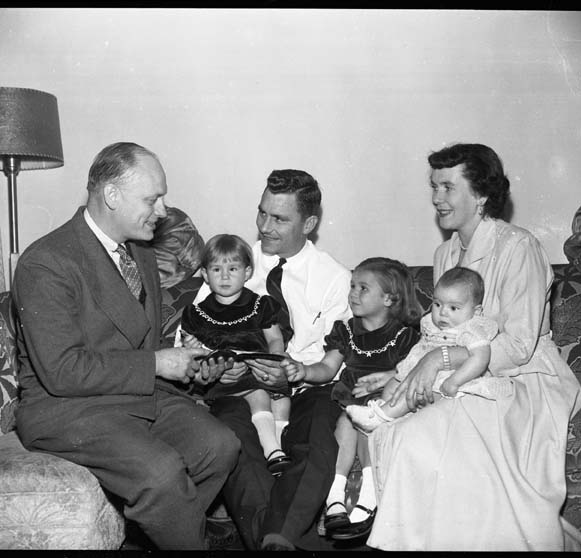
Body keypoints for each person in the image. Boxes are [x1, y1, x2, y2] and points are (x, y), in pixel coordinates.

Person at [12, 142, 241, 550]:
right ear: (112, 195)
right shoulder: (46, 262)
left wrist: (190, 367)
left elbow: (144, 340)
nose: (163, 211)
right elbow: (62, 371)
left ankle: (163, 535)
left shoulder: (140, 251)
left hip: (133, 394)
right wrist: (157, 364)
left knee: (221, 446)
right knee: (161, 474)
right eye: (152, 199)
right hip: (68, 408)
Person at [362, 143, 581, 551]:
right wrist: (402, 372)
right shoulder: (445, 253)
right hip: (459, 375)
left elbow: (518, 345)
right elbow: (440, 333)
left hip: (521, 377)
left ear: (481, 195)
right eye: (434, 186)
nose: (437, 197)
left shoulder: (519, 247)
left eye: (448, 187)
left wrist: (439, 360)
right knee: (391, 431)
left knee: (419, 439)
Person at [192, 169, 352, 550]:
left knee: (317, 436)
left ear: (309, 224)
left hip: (308, 385)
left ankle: (274, 538)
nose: (264, 226)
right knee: (232, 438)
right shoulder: (234, 264)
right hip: (242, 385)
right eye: (262, 213)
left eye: (279, 218)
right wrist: (214, 369)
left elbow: (337, 356)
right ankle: (278, 540)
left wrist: (294, 376)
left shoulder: (333, 278)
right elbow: (196, 334)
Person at [281, 257, 420, 542]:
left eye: (363, 288)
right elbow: (327, 368)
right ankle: (335, 497)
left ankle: (369, 494)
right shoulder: (345, 330)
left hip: (385, 402)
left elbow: (409, 372)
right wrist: (304, 371)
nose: (353, 293)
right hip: (351, 398)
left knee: (365, 422)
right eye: (352, 286)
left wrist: (390, 378)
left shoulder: (405, 336)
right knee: (346, 421)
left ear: (389, 299)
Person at [178, 233, 293, 475]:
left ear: (247, 272)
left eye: (233, 269)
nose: (225, 276)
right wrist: (194, 347)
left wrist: (274, 360)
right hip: (221, 377)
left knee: (281, 398)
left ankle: (278, 444)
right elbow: (192, 354)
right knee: (259, 394)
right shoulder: (196, 313)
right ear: (205, 274)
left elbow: (275, 339)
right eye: (216, 269)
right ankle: (272, 449)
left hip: (258, 367)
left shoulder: (261, 305)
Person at [347, 266, 505, 433]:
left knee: (415, 391)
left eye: (453, 308)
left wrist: (455, 381)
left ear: (476, 311)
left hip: (449, 380)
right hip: (422, 372)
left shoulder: (471, 329)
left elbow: (480, 358)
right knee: (394, 385)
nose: (442, 313)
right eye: (437, 304)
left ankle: (379, 417)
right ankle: (385, 415)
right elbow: (422, 347)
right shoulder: (431, 324)